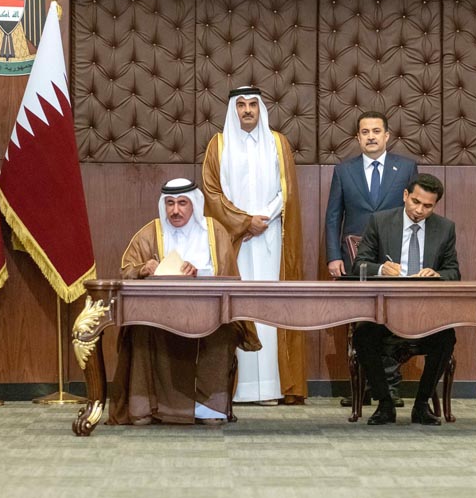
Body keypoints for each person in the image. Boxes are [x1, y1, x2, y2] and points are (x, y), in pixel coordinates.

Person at [108, 178, 261, 426]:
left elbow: (231, 277)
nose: (175, 210)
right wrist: (142, 269)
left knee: (223, 332)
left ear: (194, 205)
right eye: (169, 203)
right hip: (159, 316)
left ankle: (208, 409)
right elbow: (126, 270)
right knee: (140, 330)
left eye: (182, 203)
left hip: (209, 314)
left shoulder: (214, 233)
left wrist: (199, 272)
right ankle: (146, 407)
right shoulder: (150, 233)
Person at [201, 86, 307, 405]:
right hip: (235, 241)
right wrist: (244, 222)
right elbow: (212, 193)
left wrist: (264, 218)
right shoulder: (217, 145)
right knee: (239, 307)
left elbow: (286, 191)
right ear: (233, 109)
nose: (247, 110)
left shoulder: (278, 143)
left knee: (271, 307)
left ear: (261, 109)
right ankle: (238, 388)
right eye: (241, 105)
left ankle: (272, 388)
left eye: (253, 105)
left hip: (272, 237)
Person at [351, 173, 460, 425]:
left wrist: (438, 274)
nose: (419, 210)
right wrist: (380, 269)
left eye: (427, 206)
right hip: (384, 312)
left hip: (425, 314)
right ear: (405, 196)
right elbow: (359, 265)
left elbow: (454, 271)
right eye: (415, 202)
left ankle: (421, 405)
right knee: (363, 335)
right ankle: (385, 403)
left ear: (435, 205)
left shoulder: (445, 229)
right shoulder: (380, 222)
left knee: (446, 338)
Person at [325, 111, 417, 408]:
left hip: (395, 257)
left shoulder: (406, 168)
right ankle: (362, 388)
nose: (371, 136)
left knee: (391, 319)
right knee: (361, 319)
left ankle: (388, 386)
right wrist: (333, 256)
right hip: (356, 260)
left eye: (377, 131)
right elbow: (333, 217)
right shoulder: (344, 170)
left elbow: (416, 212)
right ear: (358, 137)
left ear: (387, 136)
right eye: (365, 132)